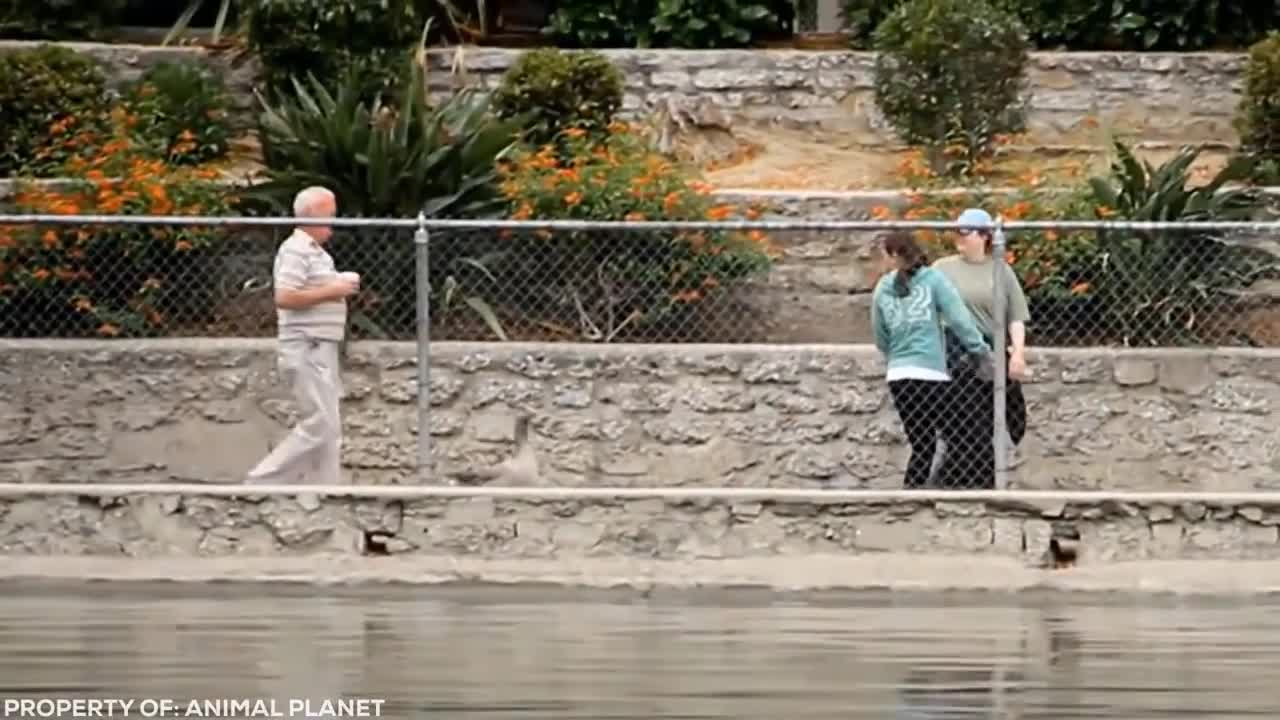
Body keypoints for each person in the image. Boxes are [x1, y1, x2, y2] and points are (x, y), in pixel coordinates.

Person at [246, 186, 359, 485]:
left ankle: (326, 490)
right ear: (312, 216)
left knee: (330, 426)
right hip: (307, 347)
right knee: (319, 424)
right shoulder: (296, 250)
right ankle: (261, 481)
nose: (333, 224)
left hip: (321, 347)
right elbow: (285, 296)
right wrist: (334, 290)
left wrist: (338, 284)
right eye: (329, 217)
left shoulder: (316, 253)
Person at [871, 232, 992, 489]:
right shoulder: (933, 279)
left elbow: (880, 335)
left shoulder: (883, 287)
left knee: (921, 443)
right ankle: (959, 486)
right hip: (931, 374)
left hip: (899, 376)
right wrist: (979, 350)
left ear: (894, 256)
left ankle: (911, 492)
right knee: (962, 433)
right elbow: (959, 320)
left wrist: (896, 356)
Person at [932, 207, 1031, 490]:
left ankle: (975, 481)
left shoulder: (1001, 270)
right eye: (957, 231)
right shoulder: (942, 269)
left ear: (984, 236)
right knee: (966, 422)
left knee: (999, 418)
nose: (958, 237)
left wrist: (1018, 354)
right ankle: (963, 483)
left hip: (991, 347)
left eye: (965, 232)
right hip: (954, 349)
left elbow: (1016, 317)